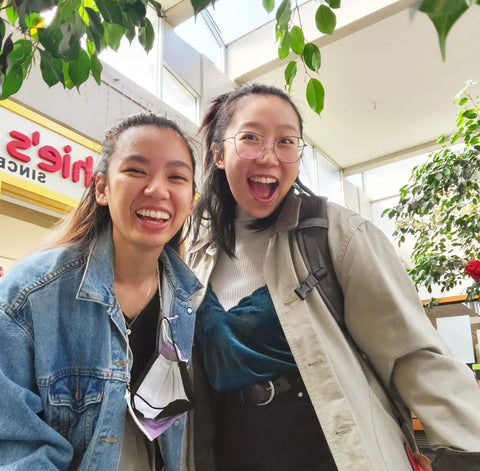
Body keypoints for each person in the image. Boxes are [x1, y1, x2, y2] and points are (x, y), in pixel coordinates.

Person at [186, 83, 480, 471]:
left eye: (286, 141)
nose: (269, 156)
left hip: (327, 446)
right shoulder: (193, 252)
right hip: (228, 447)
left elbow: (413, 355)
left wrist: (467, 451)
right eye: (251, 138)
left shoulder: (335, 233)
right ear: (219, 154)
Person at [0, 112, 201, 471]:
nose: (157, 189)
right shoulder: (29, 296)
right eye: (136, 171)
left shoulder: (192, 303)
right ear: (102, 189)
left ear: (189, 201)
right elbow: (16, 448)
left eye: (176, 177)